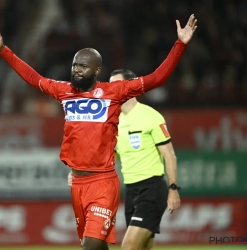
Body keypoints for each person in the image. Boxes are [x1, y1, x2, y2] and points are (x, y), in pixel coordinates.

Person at [0, 14, 197, 250]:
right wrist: (3, 50)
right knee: (95, 246)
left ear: (96, 70)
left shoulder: (114, 91)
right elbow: (34, 78)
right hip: (78, 185)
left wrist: (180, 44)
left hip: (102, 183)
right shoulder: (64, 92)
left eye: (83, 65)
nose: (77, 69)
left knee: (90, 247)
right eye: (74, 65)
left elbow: (156, 78)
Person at [68, 69, 181, 250]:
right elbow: (105, 155)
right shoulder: (114, 120)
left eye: (116, 84)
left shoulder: (150, 116)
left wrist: (173, 188)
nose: (111, 88)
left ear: (129, 86)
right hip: (130, 191)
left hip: (151, 189)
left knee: (128, 246)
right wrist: (79, 171)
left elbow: (169, 155)